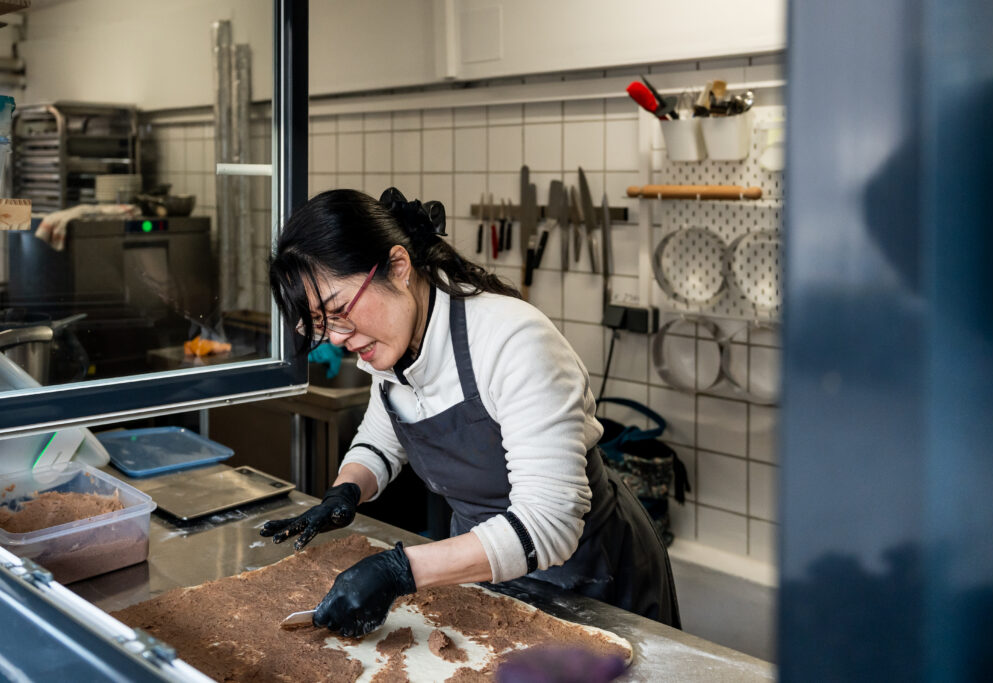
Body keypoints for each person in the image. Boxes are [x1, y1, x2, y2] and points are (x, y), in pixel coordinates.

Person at [260, 188, 681, 637]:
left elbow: (550, 524)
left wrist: (402, 569)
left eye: (340, 311)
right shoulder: (391, 342)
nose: (339, 338)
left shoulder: (513, 340)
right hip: (480, 566)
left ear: (398, 268)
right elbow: (383, 439)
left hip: (588, 575)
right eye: (322, 324)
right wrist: (344, 492)